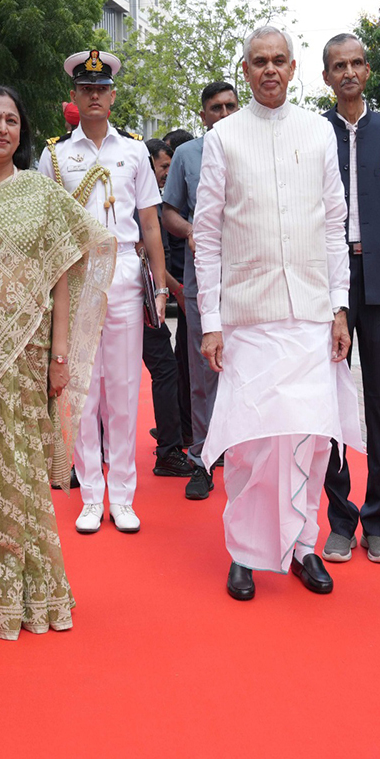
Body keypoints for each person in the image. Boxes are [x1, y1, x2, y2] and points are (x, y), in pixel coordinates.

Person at [0, 87, 113, 639]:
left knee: (26, 472)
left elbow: (64, 274)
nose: (2, 129)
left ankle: (36, 590)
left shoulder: (41, 192)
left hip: (31, 354)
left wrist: (61, 356)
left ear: (21, 130)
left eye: (11, 120)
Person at [193, 25, 361, 601]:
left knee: (311, 439)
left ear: (293, 68)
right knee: (251, 440)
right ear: (245, 70)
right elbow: (207, 235)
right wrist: (211, 322)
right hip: (248, 317)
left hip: (310, 313)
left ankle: (303, 546)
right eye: (259, 61)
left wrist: (340, 308)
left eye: (279, 60)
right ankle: (244, 552)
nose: (270, 69)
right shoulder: (224, 137)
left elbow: (336, 225)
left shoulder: (318, 132)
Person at [39, 50, 166, 536]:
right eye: (86, 89)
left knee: (124, 389)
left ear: (112, 97)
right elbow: (49, 228)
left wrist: (159, 286)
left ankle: (124, 497)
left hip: (125, 271)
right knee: (82, 389)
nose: (94, 96)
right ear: (74, 95)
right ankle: (91, 494)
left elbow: (150, 223)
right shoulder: (54, 156)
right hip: (77, 276)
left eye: (102, 89)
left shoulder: (133, 151)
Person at [318, 34, 380, 564]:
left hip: (379, 280)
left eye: (357, 63)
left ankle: (379, 519)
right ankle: (340, 519)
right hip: (330, 284)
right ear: (326, 77)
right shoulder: (316, 133)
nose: (349, 72)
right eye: (339, 66)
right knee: (332, 402)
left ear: (367, 70)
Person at [161, 81, 241, 501]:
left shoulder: (255, 147)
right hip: (202, 282)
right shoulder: (188, 155)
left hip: (249, 280)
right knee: (203, 373)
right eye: (216, 108)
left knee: (250, 368)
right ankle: (202, 461)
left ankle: (246, 456)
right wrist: (192, 231)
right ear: (203, 115)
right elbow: (168, 211)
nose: (224, 114)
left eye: (230, 106)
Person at [141, 136, 189, 477]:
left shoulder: (155, 201)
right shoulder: (140, 204)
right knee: (165, 369)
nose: (167, 174)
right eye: (163, 167)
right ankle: (169, 450)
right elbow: (145, 252)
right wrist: (174, 289)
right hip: (139, 296)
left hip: (152, 295)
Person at [162, 127, 195, 453]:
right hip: (184, 286)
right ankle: (184, 429)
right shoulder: (168, 202)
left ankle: (187, 429)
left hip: (190, 284)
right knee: (183, 362)